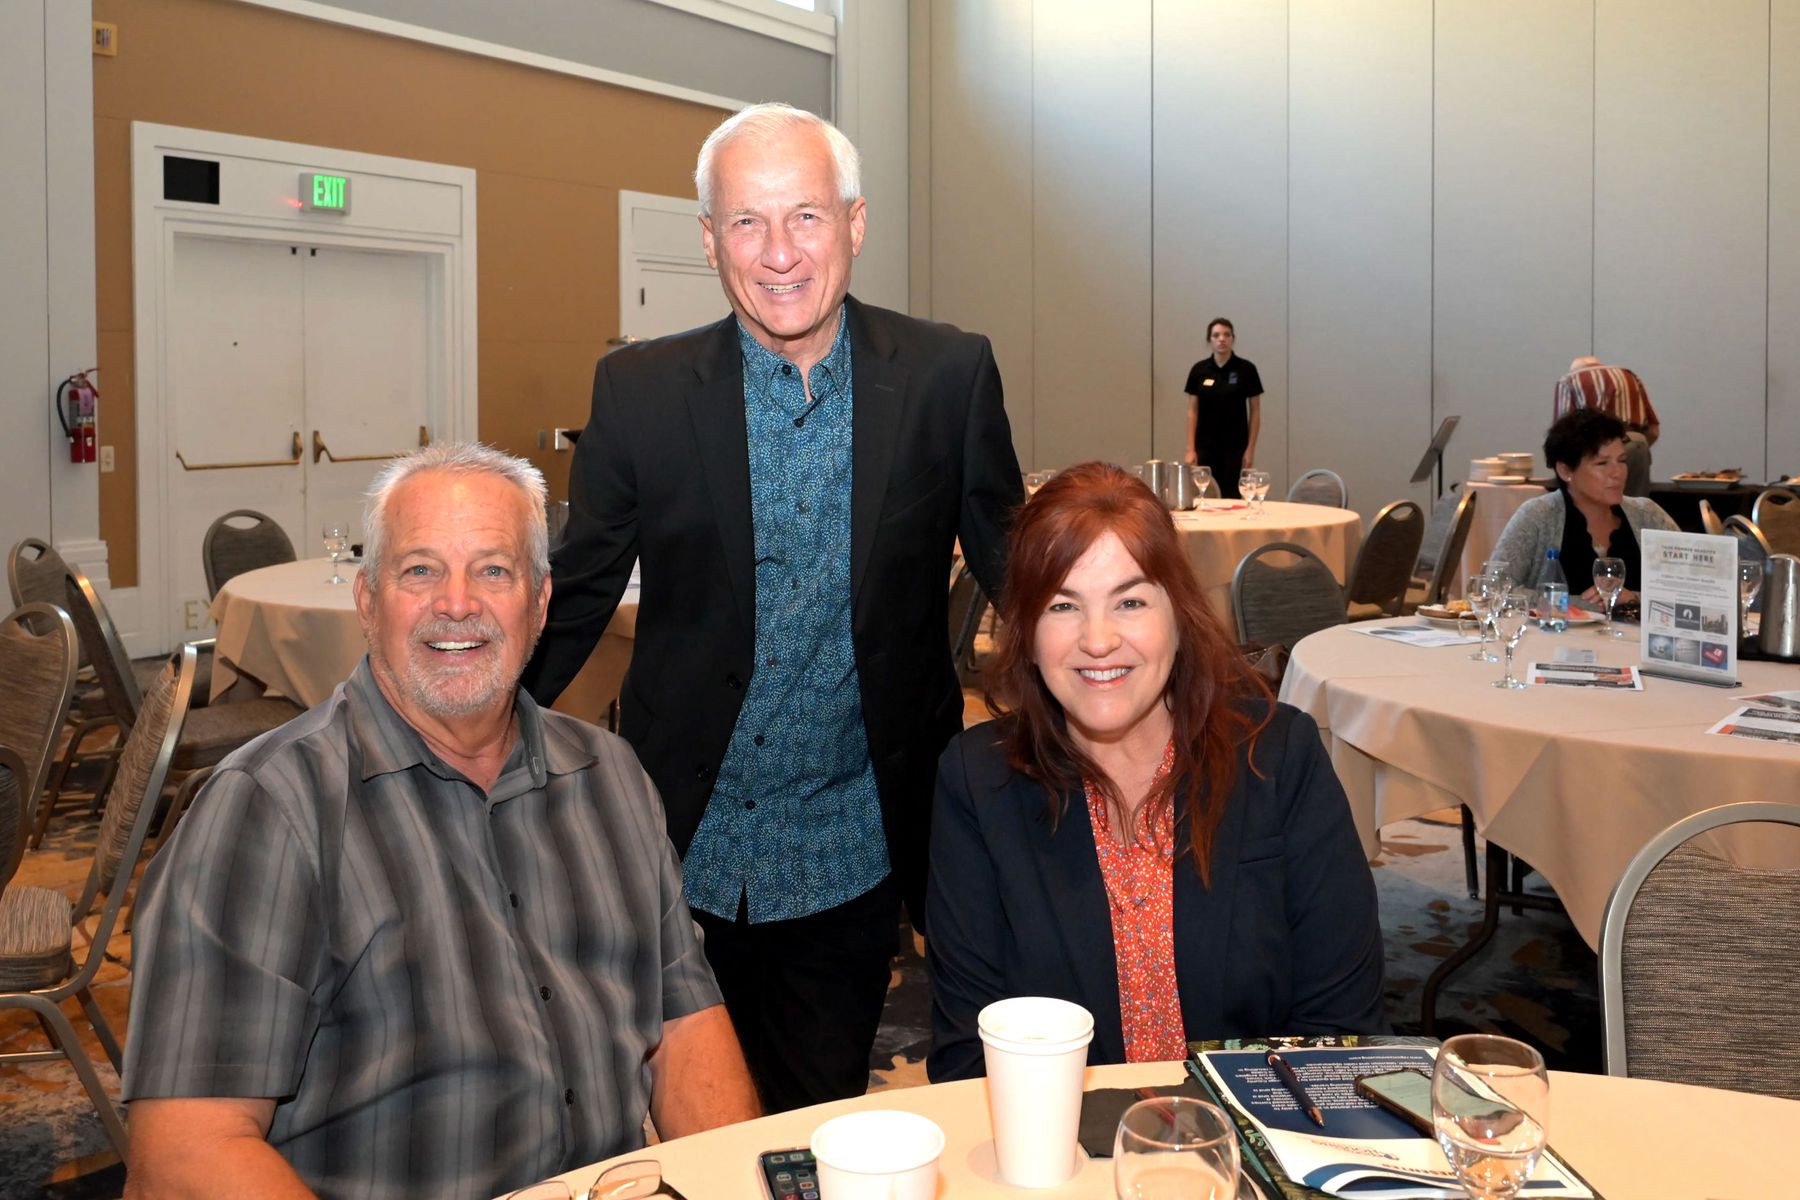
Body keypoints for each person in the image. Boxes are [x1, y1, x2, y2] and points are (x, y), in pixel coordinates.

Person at [521, 103, 1022, 1113]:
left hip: (853, 847)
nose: (779, 253)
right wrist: (448, 742)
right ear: (710, 239)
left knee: (808, 1123)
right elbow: (572, 599)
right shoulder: (640, 392)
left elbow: (1020, 572)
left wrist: (1141, 704)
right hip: (675, 846)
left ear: (855, 223)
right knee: (666, 1122)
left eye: (806, 216)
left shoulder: (946, 376)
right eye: (747, 221)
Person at [122, 445, 759, 1200]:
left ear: (540, 603)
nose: (457, 604)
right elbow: (185, 1155)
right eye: (420, 570)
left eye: (493, 571)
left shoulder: (610, 777)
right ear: (368, 600)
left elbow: (685, 1027)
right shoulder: (268, 810)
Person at [925, 463, 1385, 1082]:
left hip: (1259, 1131)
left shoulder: (1278, 756)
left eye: (1130, 601)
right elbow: (968, 1056)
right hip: (1066, 1139)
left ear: (1179, 614)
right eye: (1063, 605)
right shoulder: (979, 783)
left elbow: (1343, 1032)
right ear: (1027, 633)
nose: (1098, 640)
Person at [1490, 408, 1679, 603]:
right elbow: (1492, 589)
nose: (1617, 473)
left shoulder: (1647, 515)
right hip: (1556, 624)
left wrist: (1635, 598)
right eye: (1602, 463)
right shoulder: (1537, 516)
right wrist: (1574, 604)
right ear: (1565, 471)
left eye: (1622, 461)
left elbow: (1691, 589)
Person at [1554, 356, 1660, 496]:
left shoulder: (1569, 380)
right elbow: (1653, 430)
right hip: (1637, 445)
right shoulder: (1630, 376)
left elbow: (1563, 436)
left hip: (1594, 451)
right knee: (1635, 505)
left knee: (1598, 505)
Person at [1183, 317, 1262, 498]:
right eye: (1216, 335)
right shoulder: (1199, 370)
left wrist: (1250, 449)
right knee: (1205, 495)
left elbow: (1255, 411)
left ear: (1233, 338)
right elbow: (1192, 411)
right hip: (1205, 446)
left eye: (1226, 335)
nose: (1222, 339)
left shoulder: (1246, 369)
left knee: (1232, 495)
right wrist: (1190, 449)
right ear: (1209, 340)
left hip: (1236, 447)